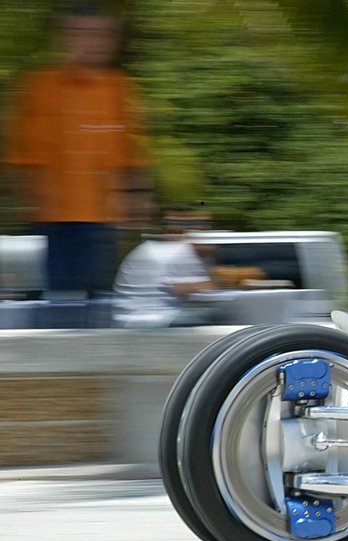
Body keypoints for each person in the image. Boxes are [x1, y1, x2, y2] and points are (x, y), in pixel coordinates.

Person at [2, 2, 152, 301]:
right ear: (65, 37)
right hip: (56, 221)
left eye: (100, 34)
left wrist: (139, 199)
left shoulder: (119, 89)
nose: (91, 42)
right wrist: (28, 200)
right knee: (62, 302)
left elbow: (131, 154)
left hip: (105, 220)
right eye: (81, 33)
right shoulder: (41, 86)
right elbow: (23, 155)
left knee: (100, 302)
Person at [112, 208, 218, 328]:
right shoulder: (177, 250)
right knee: (213, 314)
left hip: (139, 315)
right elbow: (181, 289)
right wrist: (216, 283)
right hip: (152, 317)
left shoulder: (157, 248)